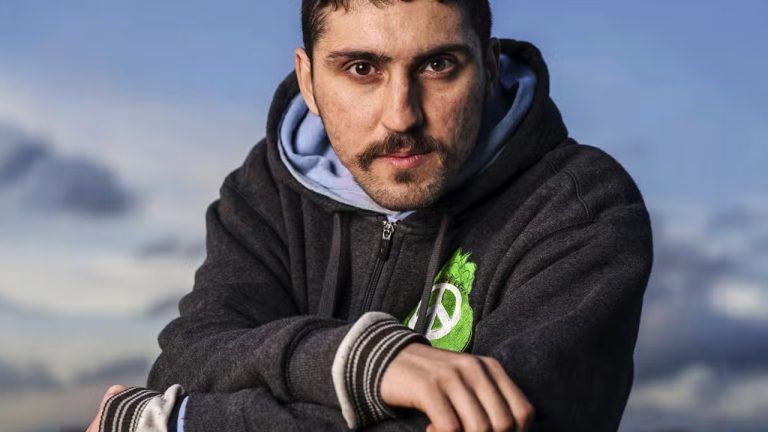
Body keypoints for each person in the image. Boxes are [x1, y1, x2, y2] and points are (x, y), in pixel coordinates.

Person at [85, 0, 653, 431]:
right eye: (361, 68)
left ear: (486, 65)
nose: (401, 116)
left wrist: (174, 421)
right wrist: (362, 364)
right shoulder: (267, 188)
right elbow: (191, 359)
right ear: (308, 80)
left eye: (438, 65)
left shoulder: (580, 206)